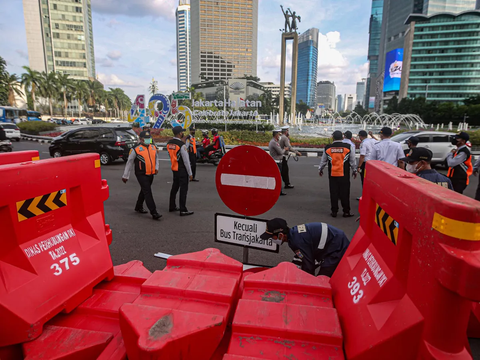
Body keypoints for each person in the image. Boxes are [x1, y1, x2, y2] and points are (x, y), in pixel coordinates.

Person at [259, 218, 350, 277]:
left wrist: (305, 281)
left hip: (337, 246)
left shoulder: (297, 242)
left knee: (322, 279)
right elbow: (300, 257)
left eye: (272, 237)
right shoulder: (294, 235)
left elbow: (309, 265)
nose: (272, 239)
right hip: (333, 241)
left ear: (281, 235)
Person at [122, 131, 162, 220]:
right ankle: (154, 212)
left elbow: (156, 158)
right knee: (148, 191)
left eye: (149, 138)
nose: (148, 140)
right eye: (145, 139)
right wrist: (125, 175)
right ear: (140, 139)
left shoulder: (153, 147)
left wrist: (156, 167)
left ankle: (138, 206)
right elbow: (129, 162)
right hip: (141, 174)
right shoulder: (135, 149)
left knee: (144, 190)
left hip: (151, 173)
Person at [319, 130, 357, 218]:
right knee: (345, 193)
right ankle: (346, 211)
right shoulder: (348, 147)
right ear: (342, 137)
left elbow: (323, 160)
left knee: (334, 193)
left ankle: (334, 211)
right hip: (344, 174)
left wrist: (320, 169)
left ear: (333, 137)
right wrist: (354, 170)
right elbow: (352, 161)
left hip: (332, 174)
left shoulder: (328, 148)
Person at [167, 126, 194, 216]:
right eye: (182, 132)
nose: (183, 133)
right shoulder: (181, 145)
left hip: (174, 168)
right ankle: (183, 209)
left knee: (174, 188)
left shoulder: (169, 143)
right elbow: (186, 161)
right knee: (183, 189)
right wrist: (190, 173)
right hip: (182, 169)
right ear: (179, 133)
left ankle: (172, 206)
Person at [269, 129, 288, 196]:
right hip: (277, 161)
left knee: (278, 177)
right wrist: (284, 149)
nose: (280, 136)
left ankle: (278, 191)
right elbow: (280, 152)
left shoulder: (274, 141)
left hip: (278, 161)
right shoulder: (274, 142)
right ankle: (279, 191)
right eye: (279, 134)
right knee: (278, 177)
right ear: (276, 135)